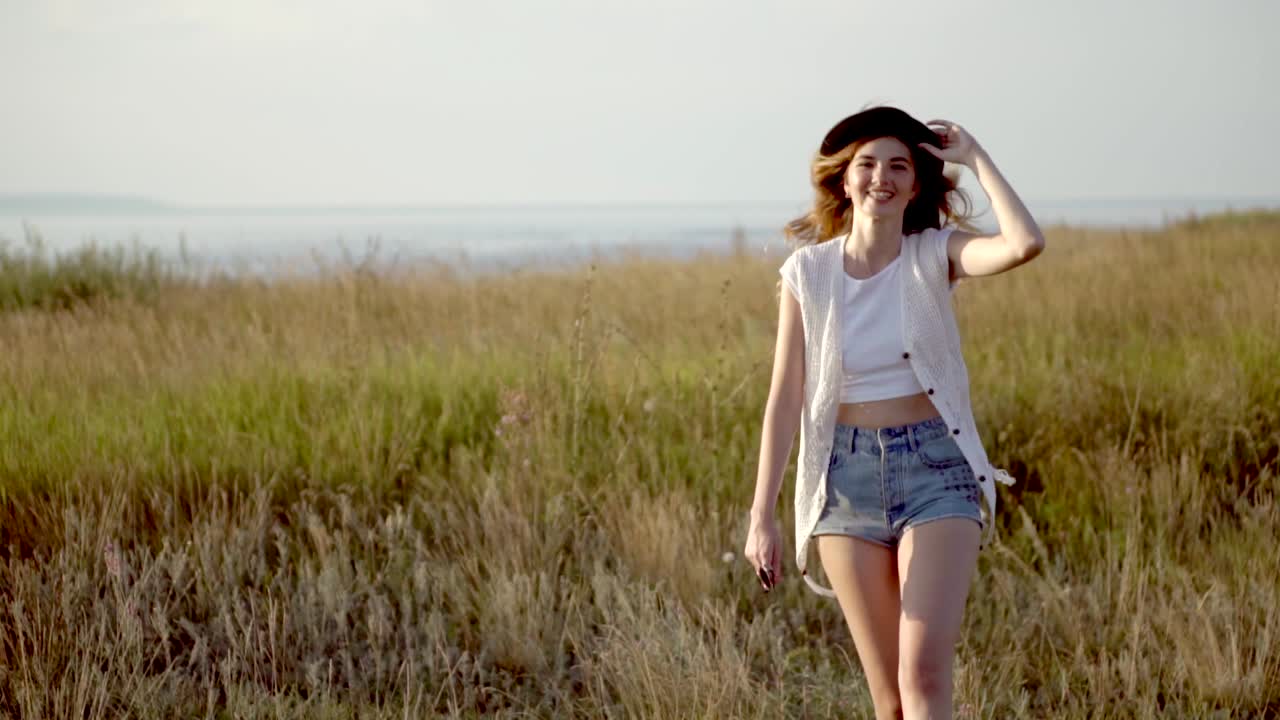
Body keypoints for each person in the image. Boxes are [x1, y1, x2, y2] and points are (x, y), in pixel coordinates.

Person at [743, 106, 1044, 719]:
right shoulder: (808, 272)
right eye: (868, 164)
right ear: (845, 179)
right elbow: (785, 396)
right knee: (890, 702)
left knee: (922, 675)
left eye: (898, 166)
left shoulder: (935, 254)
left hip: (936, 470)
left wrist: (976, 156)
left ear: (914, 185)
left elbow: (1024, 243)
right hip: (844, 485)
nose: (881, 176)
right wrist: (761, 516)